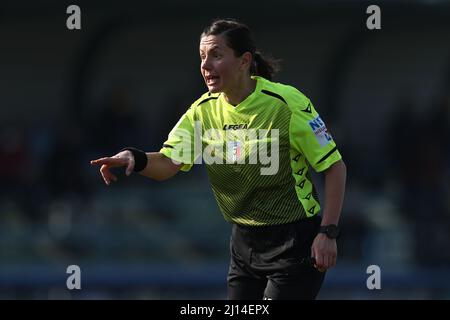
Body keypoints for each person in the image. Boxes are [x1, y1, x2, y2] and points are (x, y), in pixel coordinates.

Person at [91, 18, 346, 300]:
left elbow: (334, 166)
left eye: (216, 55)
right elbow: (167, 163)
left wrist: (328, 232)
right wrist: (135, 158)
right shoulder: (203, 111)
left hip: (294, 243)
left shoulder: (286, 103)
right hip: (243, 244)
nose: (205, 65)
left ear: (244, 61)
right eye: (202, 57)